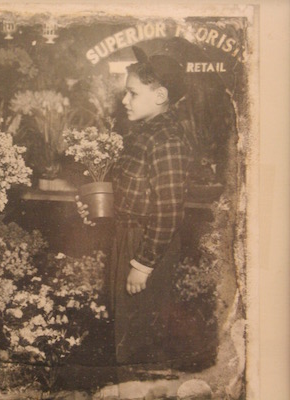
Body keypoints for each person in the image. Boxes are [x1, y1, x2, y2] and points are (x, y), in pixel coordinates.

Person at [109, 46, 191, 365]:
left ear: (160, 96)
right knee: (125, 328)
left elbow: (168, 212)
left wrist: (142, 264)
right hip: (129, 237)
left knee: (138, 338)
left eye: (132, 93)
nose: (124, 100)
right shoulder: (147, 132)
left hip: (147, 245)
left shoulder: (167, 138)